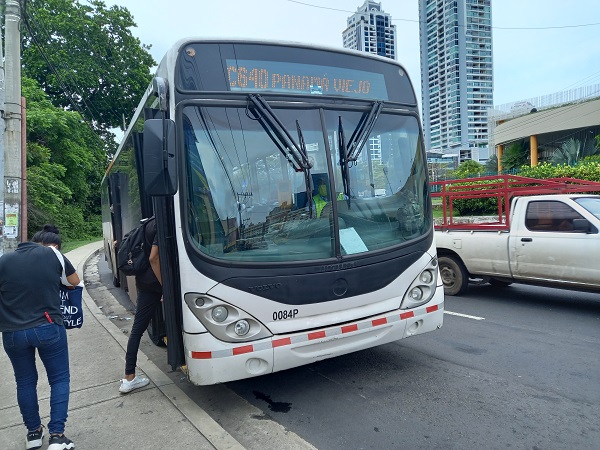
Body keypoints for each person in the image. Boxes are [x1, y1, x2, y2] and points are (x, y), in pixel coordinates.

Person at [0, 225, 80, 450]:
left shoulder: (4, 261)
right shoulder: (52, 254)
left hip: (13, 332)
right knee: (59, 379)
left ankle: (33, 434)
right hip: (48, 326)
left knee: (24, 381)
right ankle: (57, 435)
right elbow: (74, 281)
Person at [118, 216, 163, 394]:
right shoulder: (161, 221)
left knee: (137, 329)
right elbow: (154, 257)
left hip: (144, 282)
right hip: (155, 282)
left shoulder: (148, 222)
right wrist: (164, 287)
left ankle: (129, 376)